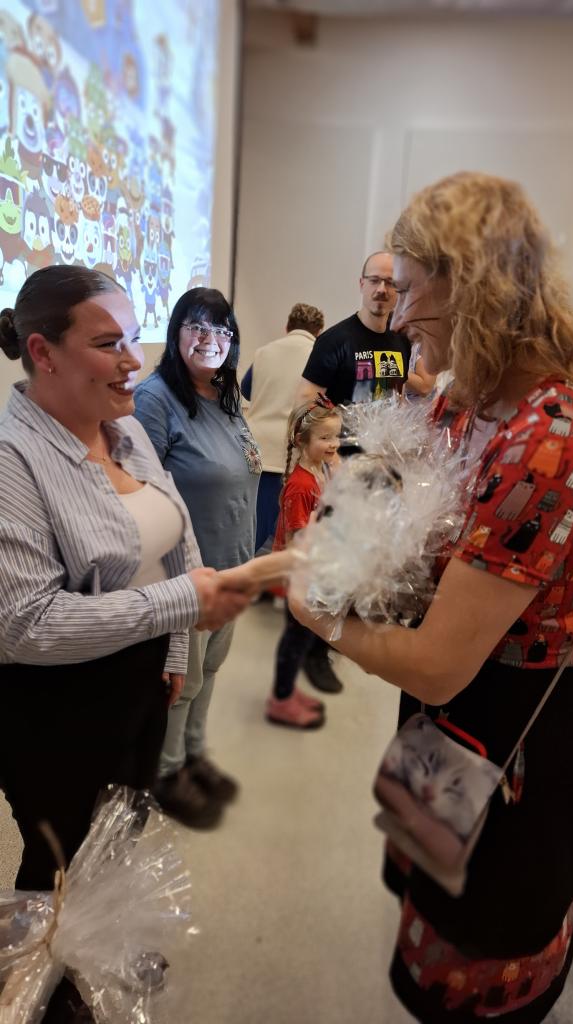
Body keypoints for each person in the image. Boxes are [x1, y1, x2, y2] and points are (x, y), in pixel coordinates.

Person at [289, 172, 573, 1023]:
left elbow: (439, 663)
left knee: (479, 953)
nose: (398, 310)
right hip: (448, 729)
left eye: (411, 289)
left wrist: (318, 616)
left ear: (472, 286)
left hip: (507, 738)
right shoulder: (468, 403)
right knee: (428, 883)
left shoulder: (547, 439)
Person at [0, 266, 250, 1023]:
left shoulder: (128, 430)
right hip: (57, 701)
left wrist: (171, 651)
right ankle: (43, 989)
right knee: (59, 853)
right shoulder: (13, 459)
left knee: (121, 826)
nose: (134, 361)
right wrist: (183, 606)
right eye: (109, 343)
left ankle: (98, 947)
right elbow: (25, 624)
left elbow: (176, 538)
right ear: (43, 353)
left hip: (141, 678)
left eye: (133, 339)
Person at [134, 287, 261, 830]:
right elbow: (139, 493)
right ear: (176, 332)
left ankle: (191, 755)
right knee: (181, 683)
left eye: (222, 330)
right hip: (188, 575)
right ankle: (165, 776)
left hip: (233, 569)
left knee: (209, 672)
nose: (212, 340)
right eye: (198, 327)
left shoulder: (225, 397)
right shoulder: (155, 398)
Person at [266, 398, 342, 729]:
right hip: (302, 574)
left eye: (336, 436)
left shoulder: (320, 469)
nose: (334, 444)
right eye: (325, 437)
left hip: (315, 569)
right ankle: (281, 699)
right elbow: (297, 541)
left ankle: (288, 690)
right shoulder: (300, 486)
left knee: (303, 636)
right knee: (295, 639)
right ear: (302, 440)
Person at [241, 302, 325, 553]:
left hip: (254, 448)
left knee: (252, 532)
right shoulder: (318, 354)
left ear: (287, 327)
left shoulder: (263, 352)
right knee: (287, 538)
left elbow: (246, 390)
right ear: (319, 331)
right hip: (290, 453)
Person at [295, 251, 410, 407]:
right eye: (374, 280)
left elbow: (398, 397)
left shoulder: (402, 341)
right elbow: (304, 405)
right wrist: (341, 420)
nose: (382, 289)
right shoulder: (333, 341)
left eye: (390, 282)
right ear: (362, 284)